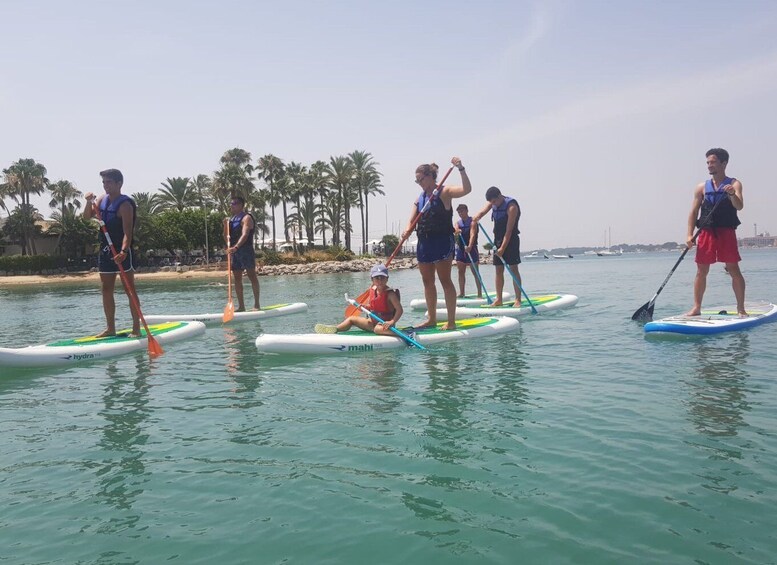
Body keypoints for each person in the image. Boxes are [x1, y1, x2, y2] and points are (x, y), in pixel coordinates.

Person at [401, 156, 471, 330]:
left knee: (445, 280)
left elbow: (466, 189)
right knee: (427, 281)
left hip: (441, 241)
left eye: (420, 179)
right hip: (424, 243)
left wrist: (461, 168)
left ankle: (451, 321)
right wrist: (407, 230)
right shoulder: (420, 198)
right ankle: (431, 319)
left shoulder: (445, 192)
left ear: (431, 176)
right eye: (416, 180)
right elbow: (411, 221)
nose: (418, 183)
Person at [685, 148, 746, 316]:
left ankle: (741, 309)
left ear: (724, 163)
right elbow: (693, 212)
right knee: (701, 271)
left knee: (733, 269)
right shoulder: (701, 187)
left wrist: (732, 194)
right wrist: (689, 235)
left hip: (726, 232)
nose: (709, 165)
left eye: (712, 162)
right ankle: (697, 307)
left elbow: (739, 206)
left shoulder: (734, 184)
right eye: (708, 163)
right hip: (706, 232)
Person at [83, 168, 140, 337]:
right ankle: (110, 328)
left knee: (129, 289)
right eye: (104, 182)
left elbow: (127, 233)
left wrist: (123, 251)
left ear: (119, 183)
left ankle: (136, 328)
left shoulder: (125, 205)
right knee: (106, 288)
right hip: (106, 250)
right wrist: (88, 202)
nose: (105, 185)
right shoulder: (100, 200)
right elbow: (86, 217)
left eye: (109, 182)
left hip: (122, 251)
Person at [315, 264, 403, 334]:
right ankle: (334, 329)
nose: (379, 281)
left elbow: (399, 310)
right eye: (377, 278)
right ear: (372, 279)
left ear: (387, 279)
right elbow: (372, 306)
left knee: (377, 329)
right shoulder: (372, 290)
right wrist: (364, 307)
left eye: (382, 278)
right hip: (372, 323)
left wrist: (392, 322)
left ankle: (402, 334)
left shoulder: (391, 294)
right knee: (351, 319)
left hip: (385, 325)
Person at [472, 186, 523, 307]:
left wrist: (502, 249)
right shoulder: (492, 203)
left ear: (499, 196)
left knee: (513, 268)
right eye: (491, 202)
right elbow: (482, 212)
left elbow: (509, 231)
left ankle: (518, 299)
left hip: (511, 239)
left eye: (494, 201)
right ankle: (499, 299)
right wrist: (476, 217)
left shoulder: (511, 206)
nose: (492, 204)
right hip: (498, 240)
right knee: (498, 269)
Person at [225, 196, 261, 311]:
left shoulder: (247, 218)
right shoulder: (231, 220)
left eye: (234, 203)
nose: (232, 205)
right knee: (237, 278)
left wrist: (236, 247)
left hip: (246, 250)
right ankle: (241, 306)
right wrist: (225, 226)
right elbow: (226, 236)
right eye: (231, 203)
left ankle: (257, 304)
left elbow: (245, 235)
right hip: (235, 252)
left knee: (251, 275)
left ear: (241, 205)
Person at [453, 203, 482, 298]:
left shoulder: (472, 221)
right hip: (461, 249)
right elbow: (455, 229)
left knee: (475, 272)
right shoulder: (458, 223)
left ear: (466, 211)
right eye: (459, 212)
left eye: (462, 211)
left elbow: (473, 234)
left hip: (472, 249)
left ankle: (479, 294)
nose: (460, 213)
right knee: (461, 272)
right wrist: (457, 231)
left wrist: (469, 246)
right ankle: (462, 293)